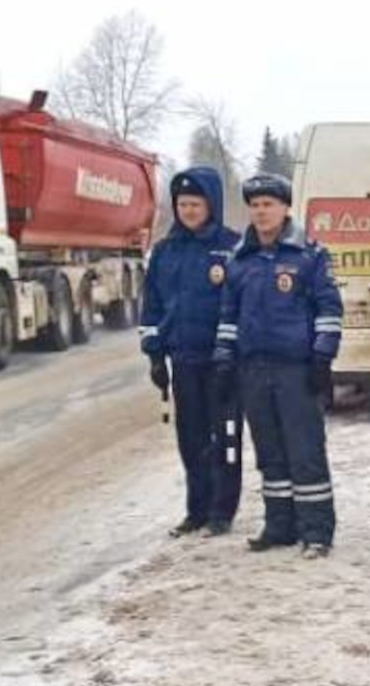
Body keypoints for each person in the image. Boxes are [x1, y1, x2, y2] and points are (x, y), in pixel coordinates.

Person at [213, 173, 343, 560]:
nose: (261, 212)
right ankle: (279, 525)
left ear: (286, 208)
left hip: (296, 369)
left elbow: (329, 310)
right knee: (269, 452)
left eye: (268, 204)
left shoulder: (310, 255)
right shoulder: (240, 259)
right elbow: (228, 315)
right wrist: (223, 359)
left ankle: (316, 531)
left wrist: (322, 357)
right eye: (255, 205)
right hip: (254, 369)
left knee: (305, 452)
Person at [139, 167, 242, 538]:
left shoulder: (233, 247)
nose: (189, 210)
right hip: (183, 361)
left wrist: (231, 352)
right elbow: (151, 308)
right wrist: (154, 356)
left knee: (225, 437)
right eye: (183, 204)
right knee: (191, 439)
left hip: (223, 362)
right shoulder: (165, 252)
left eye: (196, 204)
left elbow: (243, 304)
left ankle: (222, 511)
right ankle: (196, 509)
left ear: (211, 205)